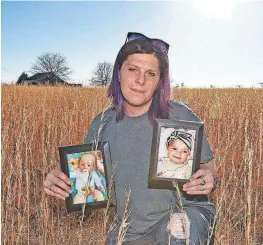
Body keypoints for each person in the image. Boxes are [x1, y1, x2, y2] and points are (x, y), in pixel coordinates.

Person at [43, 32, 217, 245]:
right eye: (132, 69)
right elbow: (86, 183)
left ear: (160, 81)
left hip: (185, 212)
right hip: (131, 227)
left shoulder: (179, 114)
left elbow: (209, 167)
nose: (140, 81)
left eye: (151, 73)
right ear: (118, 72)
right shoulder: (101, 124)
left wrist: (208, 178)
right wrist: (62, 183)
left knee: (179, 231)